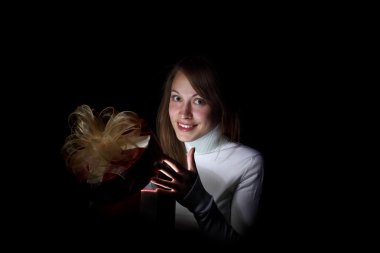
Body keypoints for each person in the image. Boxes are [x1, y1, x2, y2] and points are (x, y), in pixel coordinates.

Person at [144, 55, 264, 243]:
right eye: (177, 98)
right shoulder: (158, 153)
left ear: (220, 105)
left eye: (199, 101)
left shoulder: (248, 162)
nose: (184, 113)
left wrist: (199, 201)